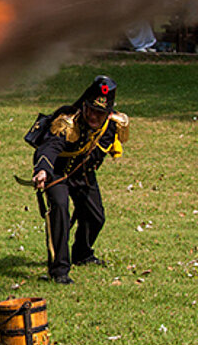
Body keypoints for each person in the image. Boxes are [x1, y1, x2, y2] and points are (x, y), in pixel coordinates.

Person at [30, 75, 129, 284]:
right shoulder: (66, 122)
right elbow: (49, 147)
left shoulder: (110, 126)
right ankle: (59, 271)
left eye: (100, 113)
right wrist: (42, 170)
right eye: (91, 110)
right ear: (84, 106)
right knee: (60, 210)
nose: (94, 116)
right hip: (56, 171)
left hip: (83, 173)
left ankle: (82, 254)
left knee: (96, 217)